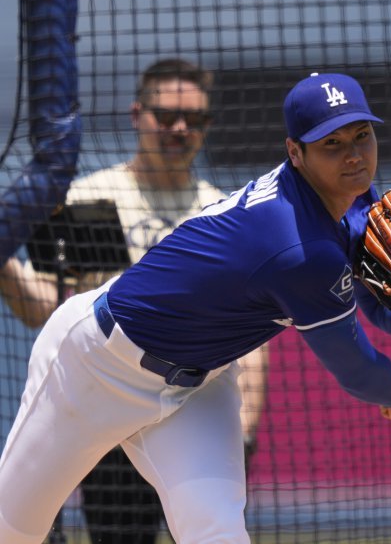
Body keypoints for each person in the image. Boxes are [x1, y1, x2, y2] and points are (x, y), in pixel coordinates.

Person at [0, 70, 391, 543]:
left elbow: (383, 315)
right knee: (13, 531)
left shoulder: (353, 201)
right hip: (96, 367)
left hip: (199, 384)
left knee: (216, 533)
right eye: (331, 144)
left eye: (362, 134)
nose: (354, 154)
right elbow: (356, 370)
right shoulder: (299, 248)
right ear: (295, 153)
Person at [0, 58, 270, 543]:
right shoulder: (86, 197)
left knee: (212, 530)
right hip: (107, 402)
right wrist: (4, 265)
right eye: (166, 116)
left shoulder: (226, 213)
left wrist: (244, 423)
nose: (180, 129)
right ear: (137, 114)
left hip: (193, 402)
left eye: (195, 120)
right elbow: (47, 307)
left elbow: (250, 336)